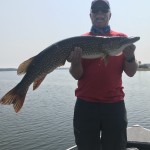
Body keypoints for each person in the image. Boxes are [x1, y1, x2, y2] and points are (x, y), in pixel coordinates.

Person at [67, 0, 138, 150]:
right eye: (96, 11)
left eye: (103, 11)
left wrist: (130, 56)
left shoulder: (121, 39)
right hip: (86, 105)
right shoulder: (82, 40)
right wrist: (75, 62)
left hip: (114, 105)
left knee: (115, 147)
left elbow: (131, 73)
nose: (99, 14)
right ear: (90, 15)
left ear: (109, 15)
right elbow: (77, 75)